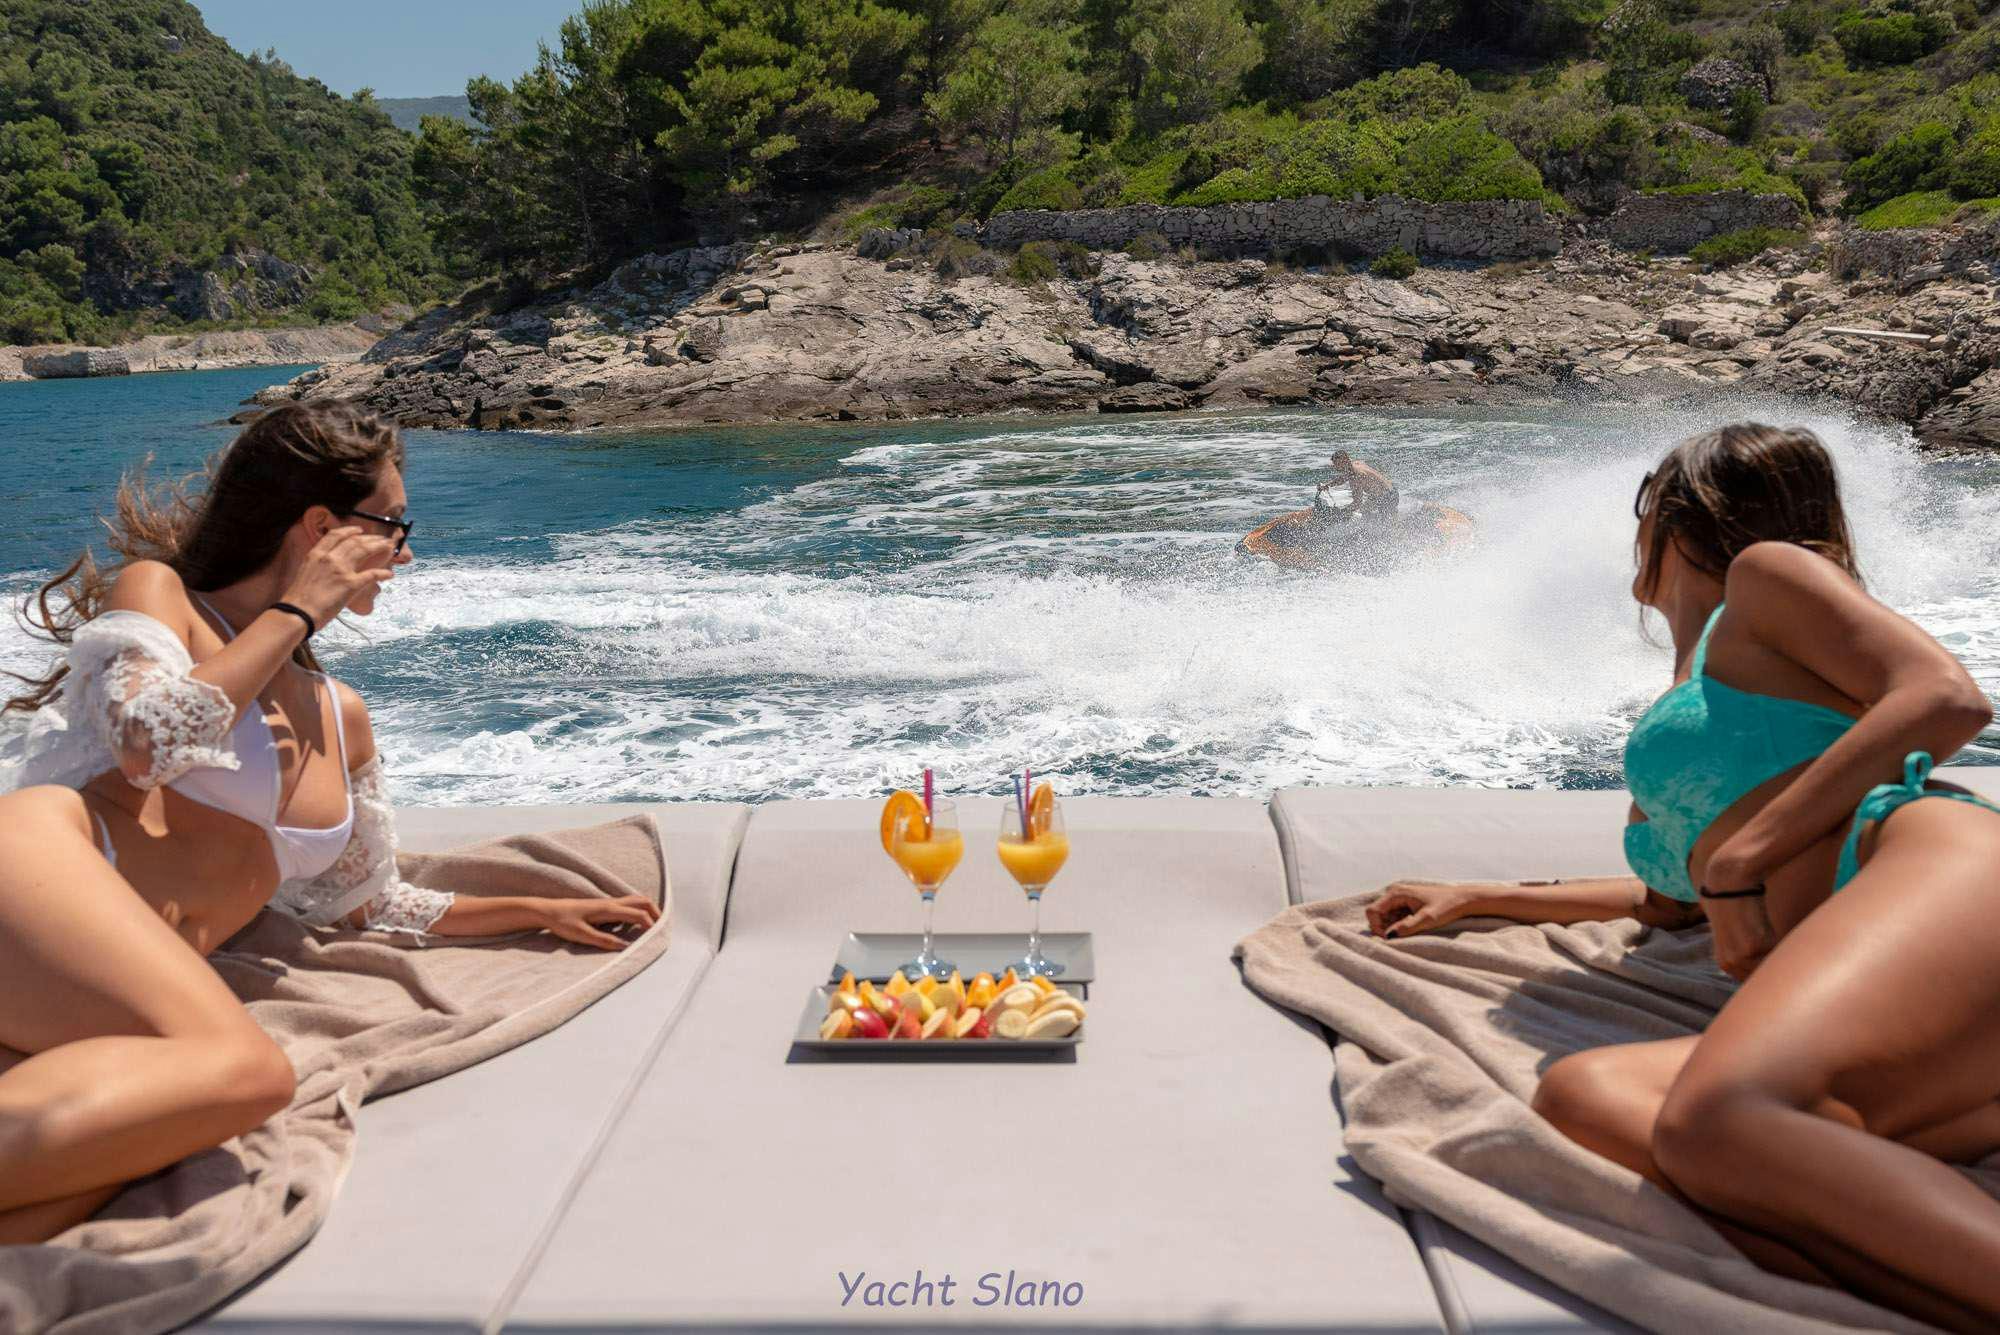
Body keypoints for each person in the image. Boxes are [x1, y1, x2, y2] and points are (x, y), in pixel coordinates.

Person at [1366, 423, 2000, 1331]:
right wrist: (1479, 895)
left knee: (1718, 1120)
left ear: (1676, 516)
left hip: (1927, 865)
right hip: (1887, 977)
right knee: (1586, 1096)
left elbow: (1946, 697)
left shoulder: (1766, 577)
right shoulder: (1697, 686)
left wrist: (1744, 862)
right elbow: (1670, 903)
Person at [0, 400, 660, 1246]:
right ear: (322, 527)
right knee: (247, 1072)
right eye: (393, 525)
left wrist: (538, 912)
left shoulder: (338, 712)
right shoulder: (164, 600)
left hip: (97, 991)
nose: (406, 552)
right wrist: (299, 612)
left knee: (76, 1188)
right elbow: (146, 743)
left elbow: (368, 903)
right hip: (45, 872)